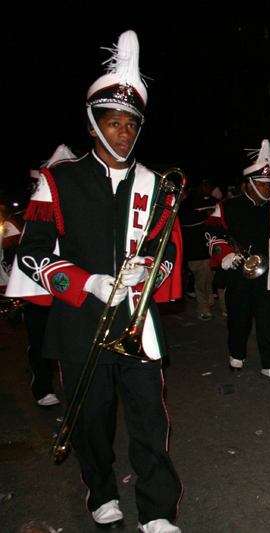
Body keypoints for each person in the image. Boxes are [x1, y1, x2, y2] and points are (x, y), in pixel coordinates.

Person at [8, 31, 183, 533]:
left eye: (132, 124)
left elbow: (167, 251)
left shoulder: (154, 184)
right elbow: (32, 255)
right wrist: (89, 283)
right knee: (91, 423)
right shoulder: (57, 181)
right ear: (93, 126)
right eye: (114, 122)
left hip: (136, 323)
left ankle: (155, 510)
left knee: (151, 423)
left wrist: (151, 271)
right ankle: (101, 491)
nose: (125, 133)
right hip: (81, 322)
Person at [206, 139, 270, 376]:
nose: (269, 189)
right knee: (238, 320)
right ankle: (236, 355)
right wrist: (224, 254)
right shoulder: (227, 206)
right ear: (250, 183)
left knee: (268, 322)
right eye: (263, 184)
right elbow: (211, 235)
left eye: (269, 184)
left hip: (268, 276)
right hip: (238, 274)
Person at [3, 146, 78, 408]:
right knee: (40, 343)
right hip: (38, 288)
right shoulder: (22, 215)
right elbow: (14, 251)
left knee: (74, 344)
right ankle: (43, 388)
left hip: (74, 287)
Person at [179, 178, 218, 320]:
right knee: (201, 281)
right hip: (196, 250)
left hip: (215, 249)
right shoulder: (187, 203)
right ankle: (203, 308)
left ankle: (223, 307)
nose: (208, 186)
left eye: (209, 184)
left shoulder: (215, 201)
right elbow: (183, 222)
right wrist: (204, 214)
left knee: (217, 279)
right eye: (204, 184)